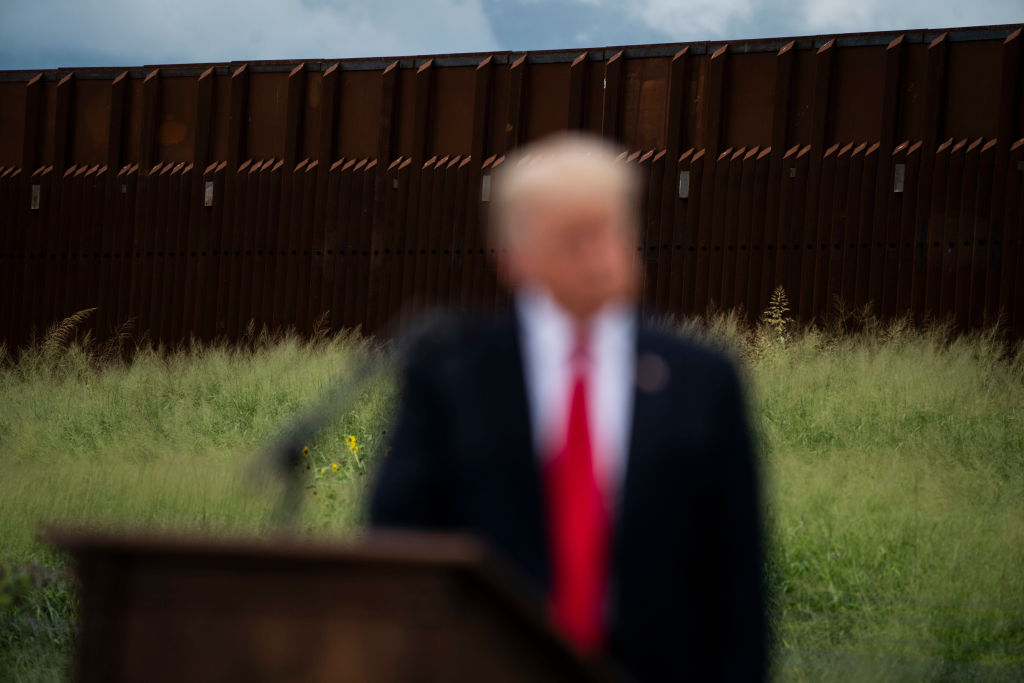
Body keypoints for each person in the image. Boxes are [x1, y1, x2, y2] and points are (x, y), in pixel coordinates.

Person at [369, 132, 766, 681]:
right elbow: (399, 551)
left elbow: (739, 585)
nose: (603, 255)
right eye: (576, 238)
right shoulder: (452, 378)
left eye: (615, 230)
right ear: (514, 256)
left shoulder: (702, 380)